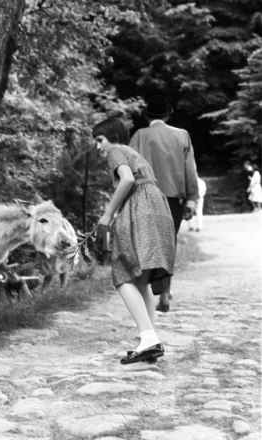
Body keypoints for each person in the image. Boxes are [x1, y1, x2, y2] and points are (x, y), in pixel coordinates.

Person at [93, 116, 175, 365]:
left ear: (113, 137)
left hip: (140, 206)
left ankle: (148, 338)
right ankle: (150, 341)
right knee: (141, 279)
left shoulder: (116, 150)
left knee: (123, 273)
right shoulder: (131, 151)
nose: (98, 146)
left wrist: (108, 214)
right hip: (157, 207)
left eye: (100, 140)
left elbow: (127, 179)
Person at [129, 95, 199, 312]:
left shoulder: (139, 136)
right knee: (169, 243)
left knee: (150, 244)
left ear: (147, 115)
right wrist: (191, 199)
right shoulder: (182, 135)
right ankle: (165, 291)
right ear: (168, 114)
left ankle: (153, 290)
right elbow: (190, 169)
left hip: (146, 197)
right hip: (173, 199)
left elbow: (129, 169)